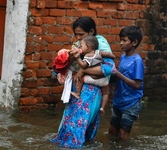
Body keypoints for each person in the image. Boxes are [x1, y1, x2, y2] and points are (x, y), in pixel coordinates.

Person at [50, 16, 113, 148]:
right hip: (77, 90)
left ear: (91, 32)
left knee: (80, 125)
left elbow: (108, 68)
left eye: (81, 34)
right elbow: (62, 67)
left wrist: (83, 71)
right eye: (76, 34)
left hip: (91, 92)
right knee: (69, 124)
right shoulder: (79, 46)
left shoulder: (100, 44)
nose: (78, 38)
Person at [108, 25, 144, 140]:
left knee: (123, 135)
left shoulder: (137, 61)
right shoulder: (123, 57)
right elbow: (120, 77)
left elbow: (137, 85)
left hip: (131, 103)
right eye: (121, 40)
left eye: (124, 40)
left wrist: (118, 74)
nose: (121, 43)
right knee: (112, 131)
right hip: (119, 100)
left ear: (134, 42)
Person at [71, 35, 116, 99]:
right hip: (100, 76)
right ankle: (103, 106)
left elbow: (84, 66)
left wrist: (78, 58)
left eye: (81, 46)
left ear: (88, 46)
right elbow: (107, 54)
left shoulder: (87, 56)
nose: (80, 48)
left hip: (92, 76)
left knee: (78, 78)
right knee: (105, 93)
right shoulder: (98, 52)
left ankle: (78, 93)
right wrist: (113, 57)